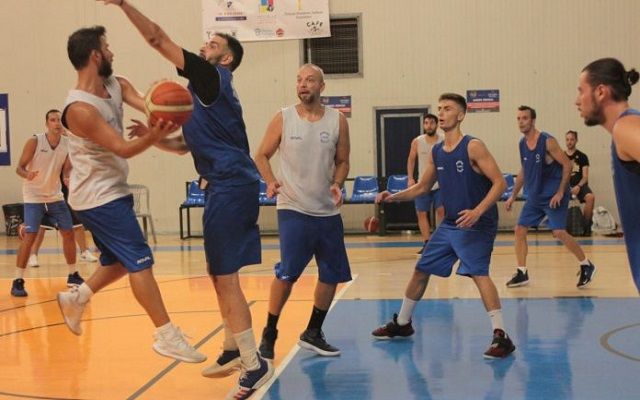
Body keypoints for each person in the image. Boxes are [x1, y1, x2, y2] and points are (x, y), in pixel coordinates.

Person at [99, 1, 273, 397]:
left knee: (225, 277)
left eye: (212, 44)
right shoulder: (203, 95)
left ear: (225, 57)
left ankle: (254, 363)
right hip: (224, 184)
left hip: (230, 185)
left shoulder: (212, 76)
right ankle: (232, 348)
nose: (204, 46)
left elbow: (156, 38)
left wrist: (124, 5)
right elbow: (184, 147)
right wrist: (154, 137)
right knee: (219, 274)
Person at [55, 26, 206, 365]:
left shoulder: (116, 84)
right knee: (140, 259)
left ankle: (77, 298)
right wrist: (154, 134)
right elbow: (122, 148)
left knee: (121, 262)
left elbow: (153, 108)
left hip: (112, 189)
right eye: (107, 47)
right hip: (96, 196)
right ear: (95, 55)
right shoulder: (79, 109)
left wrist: (167, 105)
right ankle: (166, 335)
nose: (112, 52)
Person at [371, 93, 515, 359]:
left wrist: (478, 211)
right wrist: (393, 196)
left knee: (478, 274)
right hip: (450, 224)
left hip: (476, 224)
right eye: (439, 108)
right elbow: (423, 187)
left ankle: (502, 336)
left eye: (447, 108)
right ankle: (402, 323)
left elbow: (500, 183)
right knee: (421, 269)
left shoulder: (473, 146)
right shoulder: (437, 151)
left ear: (461, 115)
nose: (441, 113)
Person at [253, 63, 351, 361]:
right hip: (293, 207)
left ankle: (313, 332)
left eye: (309, 80)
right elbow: (261, 155)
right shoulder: (283, 118)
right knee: (288, 274)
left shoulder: (337, 120)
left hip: (327, 211)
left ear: (322, 86)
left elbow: (343, 160)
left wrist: (337, 184)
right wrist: (270, 181)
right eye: (299, 80)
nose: (303, 84)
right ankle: (270, 332)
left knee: (331, 274)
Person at [504, 106, 596, 289]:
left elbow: (567, 165)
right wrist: (512, 195)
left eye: (525, 118)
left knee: (559, 232)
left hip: (554, 195)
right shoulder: (522, 144)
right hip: (535, 197)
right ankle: (522, 272)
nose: (521, 122)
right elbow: (523, 171)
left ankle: (586, 264)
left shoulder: (547, 141)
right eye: (518, 118)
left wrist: (561, 191)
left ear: (533, 121)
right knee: (519, 230)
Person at [576, 57, 640, 291]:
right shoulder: (623, 131)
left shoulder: (626, 126)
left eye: (581, 91)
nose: (577, 101)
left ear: (601, 91)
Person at [11, 109, 84, 297]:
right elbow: (19, 168)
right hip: (34, 196)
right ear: (47, 124)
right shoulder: (35, 141)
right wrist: (27, 174)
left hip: (54, 196)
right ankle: (18, 280)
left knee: (68, 232)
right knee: (30, 236)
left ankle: (73, 274)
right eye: (53, 120)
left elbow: (66, 169)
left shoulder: (67, 144)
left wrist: (67, 177)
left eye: (59, 120)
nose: (57, 123)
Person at [406, 114, 445, 254]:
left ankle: (440, 242)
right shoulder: (417, 141)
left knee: (441, 211)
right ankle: (427, 243)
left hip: (441, 184)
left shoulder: (443, 140)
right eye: (426, 123)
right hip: (422, 184)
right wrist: (410, 178)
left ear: (436, 125)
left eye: (432, 123)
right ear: (423, 125)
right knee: (422, 213)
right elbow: (411, 159)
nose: (429, 125)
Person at [564, 130, 596, 235]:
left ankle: (585, 228)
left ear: (576, 140)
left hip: (580, 185)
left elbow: (585, 177)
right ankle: (558, 228)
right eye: (567, 139)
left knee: (590, 197)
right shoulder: (561, 156)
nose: (569, 142)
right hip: (565, 186)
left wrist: (578, 186)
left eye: (572, 139)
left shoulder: (582, 156)